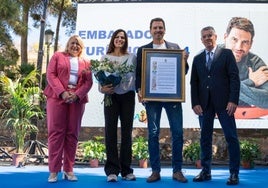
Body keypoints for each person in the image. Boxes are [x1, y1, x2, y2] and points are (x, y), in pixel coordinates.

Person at [135, 17, 189, 183]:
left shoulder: (175, 48)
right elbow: (138, 74)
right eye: (155, 27)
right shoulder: (143, 50)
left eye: (160, 27)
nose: (158, 30)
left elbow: (183, 72)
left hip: (173, 98)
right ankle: (155, 171)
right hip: (152, 98)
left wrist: (185, 61)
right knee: (152, 134)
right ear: (150, 30)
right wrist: (139, 90)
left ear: (164, 30)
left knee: (178, 133)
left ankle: (177, 170)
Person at [190, 26, 240, 185]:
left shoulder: (226, 54)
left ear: (216, 37)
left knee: (231, 137)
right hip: (204, 105)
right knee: (205, 138)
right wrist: (195, 103)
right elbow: (194, 83)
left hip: (225, 104)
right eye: (204, 36)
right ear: (201, 40)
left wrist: (233, 100)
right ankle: (206, 172)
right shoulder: (197, 59)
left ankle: (234, 174)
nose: (207, 38)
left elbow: (234, 78)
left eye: (210, 35)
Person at [44, 35, 93, 183]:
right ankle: (53, 171)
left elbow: (88, 82)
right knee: (56, 134)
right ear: (68, 44)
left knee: (72, 134)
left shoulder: (86, 62)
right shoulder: (58, 56)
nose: (75, 46)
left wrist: (76, 95)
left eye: (78, 44)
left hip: (77, 100)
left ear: (81, 47)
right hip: (57, 97)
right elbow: (51, 75)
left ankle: (69, 170)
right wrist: (63, 92)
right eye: (73, 43)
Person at [98, 29, 136, 182]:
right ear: (113, 39)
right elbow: (100, 81)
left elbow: (138, 76)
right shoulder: (105, 57)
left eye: (122, 37)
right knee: (110, 132)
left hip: (128, 97)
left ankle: (127, 170)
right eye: (117, 37)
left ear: (125, 40)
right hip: (111, 97)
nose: (119, 39)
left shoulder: (132, 57)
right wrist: (103, 89)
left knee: (127, 133)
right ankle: (112, 171)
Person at [223, 17, 268, 118]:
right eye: (234, 39)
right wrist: (251, 82)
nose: (239, 47)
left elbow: (267, 100)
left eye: (245, 42)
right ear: (225, 37)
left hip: (248, 121)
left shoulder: (255, 63)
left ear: (251, 44)